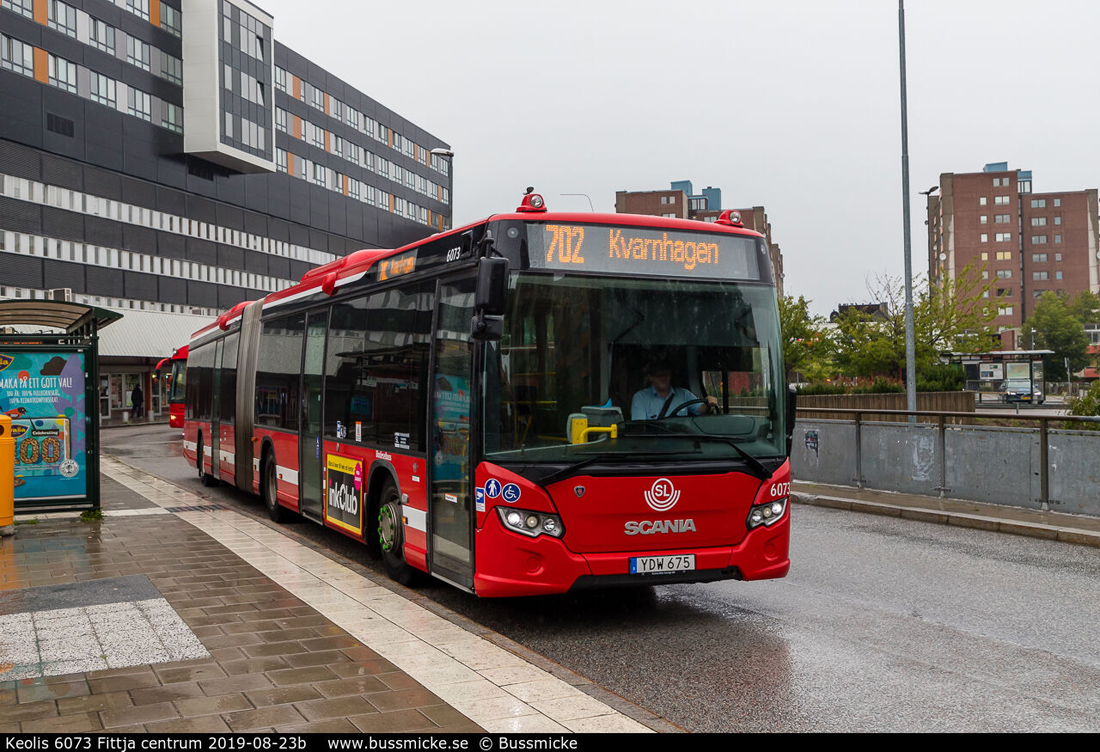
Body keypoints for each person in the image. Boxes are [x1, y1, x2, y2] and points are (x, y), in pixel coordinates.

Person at [631, 360, 717, 420]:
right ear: (651, 377)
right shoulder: (640, 398)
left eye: (666, 375)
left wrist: (709, 402)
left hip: (682, 442)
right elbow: (639, 428)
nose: (663, 378)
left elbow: (702, 410)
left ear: (670, 375)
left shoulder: (684, 394)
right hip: (653, 444)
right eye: (659, 376)